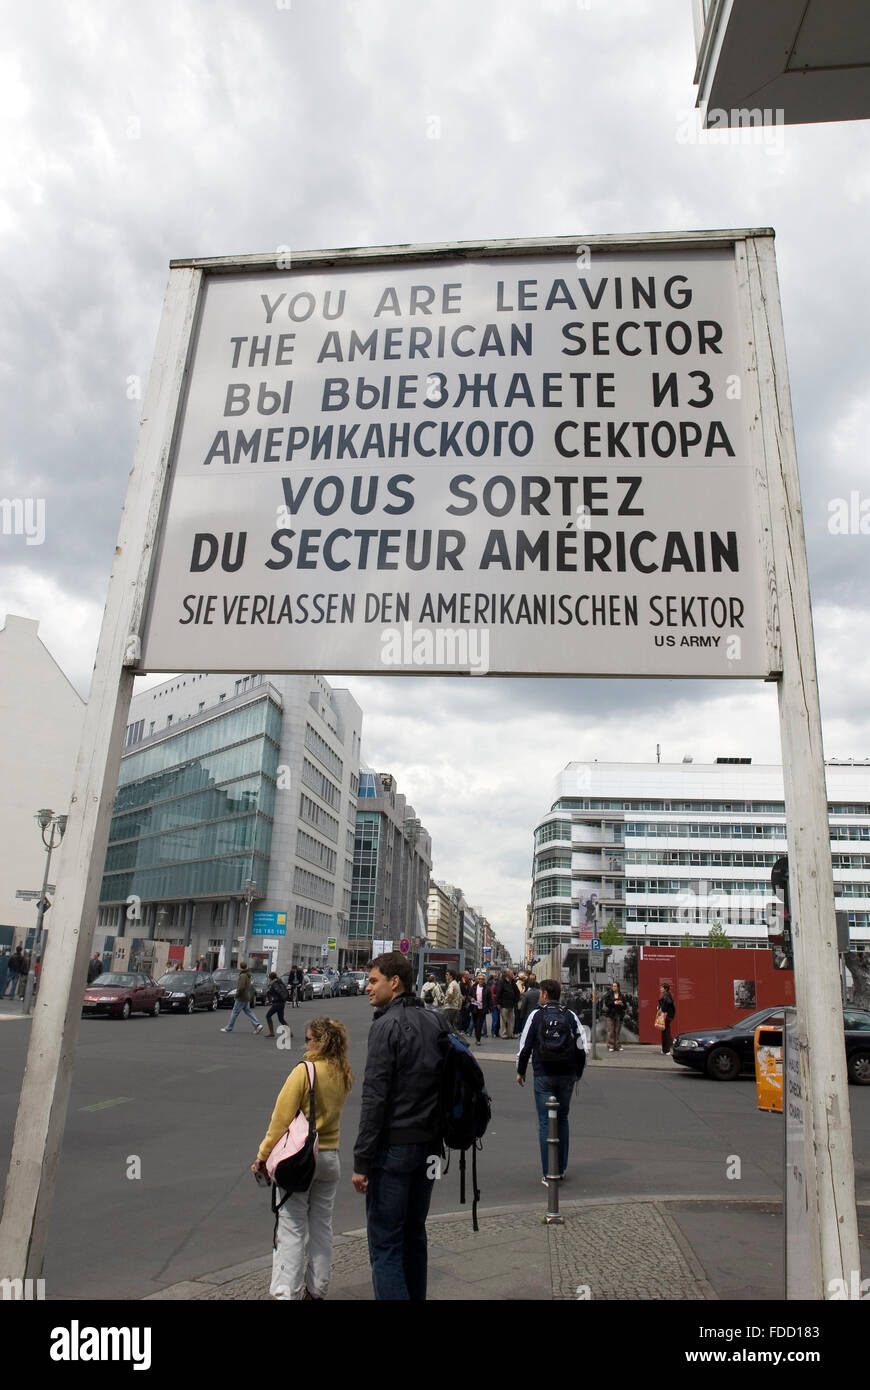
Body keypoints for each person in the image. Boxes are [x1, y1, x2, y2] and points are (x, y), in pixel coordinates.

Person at [351, 950, 448, 1301]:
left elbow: (375, 1098)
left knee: (386, 1243)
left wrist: (362, 1161)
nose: (367, 987)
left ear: (395, 983)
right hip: (430, 1147)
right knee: (414, 1235)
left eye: (373, 980)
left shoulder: (385, 1026)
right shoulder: (435, 1020)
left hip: (393, 1149)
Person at [253, 1016, 353, 1300]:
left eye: (309, 1039)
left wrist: (262, 1156)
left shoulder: (305, 1071)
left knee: (292, 1226)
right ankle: (317, 1289)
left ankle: (287, 1292)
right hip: (330, 1157)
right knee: (322, 1225)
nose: (305, 1044)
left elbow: (280, 1120)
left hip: (301, 1160)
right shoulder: (342, 1073)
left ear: (321, 1042)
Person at [516, 979, 588, 1184]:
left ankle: (549, 1172)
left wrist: (520, 1071)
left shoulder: (537, 1015)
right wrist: (579, 1072)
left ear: (546, 994)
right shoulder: (570, 1015)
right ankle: (561, 1168)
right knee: (563, 1119)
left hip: (543, 1074)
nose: (539, 995)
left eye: (541, 993)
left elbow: (525, 1047)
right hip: (566, 1075)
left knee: (546, 1122)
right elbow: (581, 1046)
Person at [220, 960, 263, 1034]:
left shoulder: (243, 975)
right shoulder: (248, 974)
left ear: (240, 967)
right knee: (248, 1011)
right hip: (246, 996)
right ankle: (257, 1025)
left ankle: (229, 1028)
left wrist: (236, 995)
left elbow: (241, 987)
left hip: (241, 997)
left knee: (235, 1012)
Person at [265, 971, 291, 1038]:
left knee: (268, 1016)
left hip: (277, 1003)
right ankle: (290, 1032)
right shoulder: (280, 982)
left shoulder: (274, 984)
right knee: (281, 1019)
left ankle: (271, 1032)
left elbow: (277, 993)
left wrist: (271, 1000)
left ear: (270, 978)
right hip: (282, 1003)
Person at [496, 969, 520, 1039]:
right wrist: (498, 1003)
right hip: (504, 1004)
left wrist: (516, 1000)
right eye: (511, 972)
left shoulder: (512, 982)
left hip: (511, 1004)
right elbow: (498, 993)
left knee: (511, 1020)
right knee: (503, 1020)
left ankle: (510, 1033)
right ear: (507, 974)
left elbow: (517, 992)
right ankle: (504, 1034)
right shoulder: (501, 982)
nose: (512, 974)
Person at [603, 981, 627, 1051]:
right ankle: (611, 1046)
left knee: (617, 1031)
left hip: (619, 1015)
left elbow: (625, 1006)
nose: (613, 987)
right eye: (613, 986)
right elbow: (607, 1003)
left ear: (618, 987)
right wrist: (614, 1002)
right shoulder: (609, 994)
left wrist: (622, 1004)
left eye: (615, 986)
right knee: (611, 1031)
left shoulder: (621, 995)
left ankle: (617, 1045)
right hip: (610, 1015)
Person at [469, 971, 490, 1045]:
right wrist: (471, 998)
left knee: (480, 1024)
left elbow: (489, 999)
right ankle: (477, 1037)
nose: (481, 980)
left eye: (482, 979)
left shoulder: (487, 988)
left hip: (482, 1009)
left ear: (484, 980)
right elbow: (469, 995)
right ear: (477, 980)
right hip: (474, 1008)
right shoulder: (473, 987)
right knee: (475, 1024)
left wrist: (490, 1008)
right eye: (479, 979)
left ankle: (478, 1040)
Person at [658, 981, 676, 1055]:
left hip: (666, 1016)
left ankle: (667, 1049)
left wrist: (661, 1008)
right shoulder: (668, 995)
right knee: (665, 1032)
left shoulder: (666, 996)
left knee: (666, 1033)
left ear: (665, 989)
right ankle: (665, 1049)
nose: (660, 989)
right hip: (668, 1016)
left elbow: (667, 1004)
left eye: (661, 988)